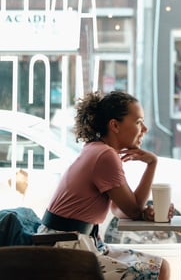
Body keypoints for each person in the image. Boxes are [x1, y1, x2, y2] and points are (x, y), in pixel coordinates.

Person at [38, 90, 173, 280]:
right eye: (138, 122)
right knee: (159, 271)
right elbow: (132, 210)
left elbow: (120, 208)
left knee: (160, 267)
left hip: (73, 242)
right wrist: (152, 164)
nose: (145, 129)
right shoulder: (105, 156)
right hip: (66, 247)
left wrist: (142, 212)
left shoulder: (97, 149)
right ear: (115, 125)